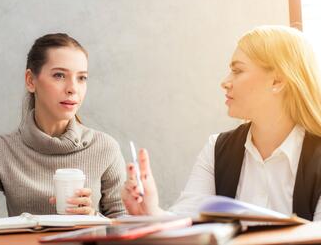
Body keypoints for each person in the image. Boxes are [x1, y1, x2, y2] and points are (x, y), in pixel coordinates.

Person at [122, 25, 321, 221]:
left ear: (277, 81)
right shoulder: (216, 149)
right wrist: (152, 213)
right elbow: (186, 220)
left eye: (238, 70)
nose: (225, 82)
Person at [0, 33, 126, 224]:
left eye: (82, 78)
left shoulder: (105, 148)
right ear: (31, 81)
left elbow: (124, 223)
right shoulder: (1, 149)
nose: (73, 88)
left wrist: (93, 218)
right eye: (59, 75)